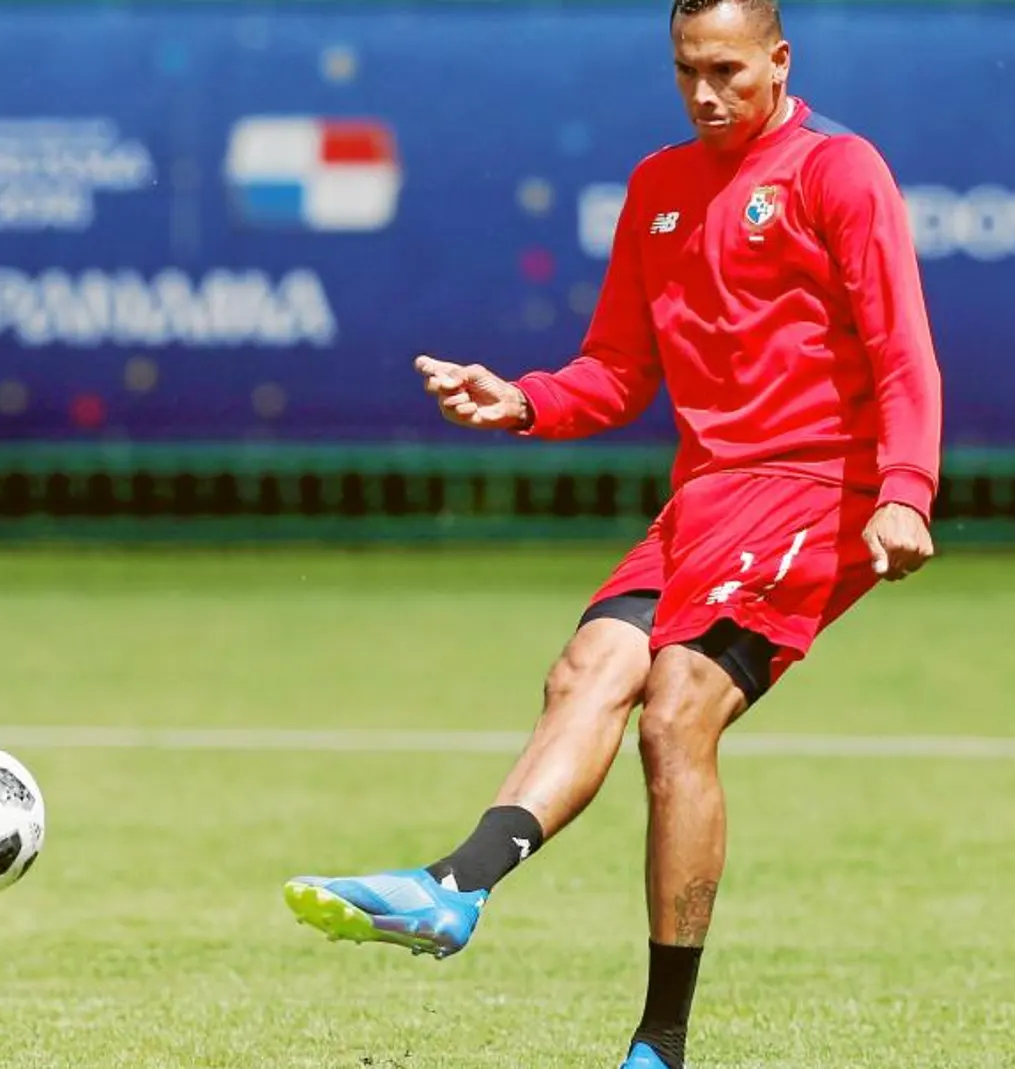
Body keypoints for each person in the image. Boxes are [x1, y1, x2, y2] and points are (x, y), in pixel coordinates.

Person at [282, 0, 942, 1065]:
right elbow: (620, 370)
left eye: (727, 69)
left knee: (675, 712)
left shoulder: (837, 170)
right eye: (685, 70)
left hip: (819, 488)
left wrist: (906, 488)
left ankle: (659, 1044)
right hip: (705, 498)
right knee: (584, 668)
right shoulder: (657, 189)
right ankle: (452, 889)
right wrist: (525, 400)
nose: (703, 92)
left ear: (780, 61)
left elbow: (902, 348)